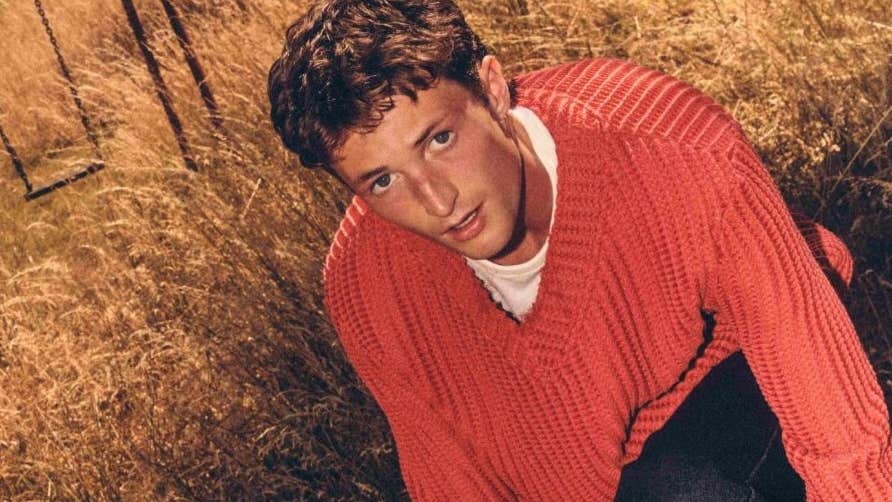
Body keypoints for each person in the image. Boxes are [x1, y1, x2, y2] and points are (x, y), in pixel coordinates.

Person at [267, 1, 892, 500]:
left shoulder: (674, 151)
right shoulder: (367, 288)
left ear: (492, 90)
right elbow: (451, 478)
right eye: (382, 181)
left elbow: (840, 435)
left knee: (675, 490)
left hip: (737, 370)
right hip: (605, 470)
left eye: (439, 139)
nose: (435, 200)